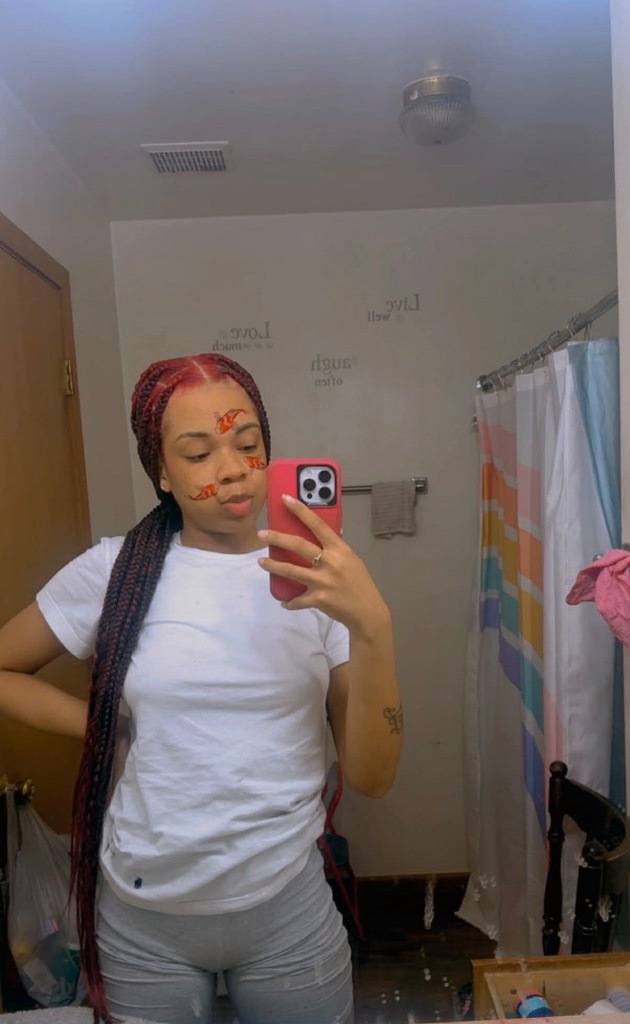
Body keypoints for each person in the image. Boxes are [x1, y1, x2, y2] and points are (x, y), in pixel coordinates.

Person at [0, 353, 402, 1024]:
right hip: (142, 923)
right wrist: (102, 723)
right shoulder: (114, 571)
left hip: (287, 910)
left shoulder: (320, 578)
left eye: (247, 443)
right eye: (198, 453)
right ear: (161, 471)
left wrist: (373, 626)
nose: (232, 468)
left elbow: (372, 776)